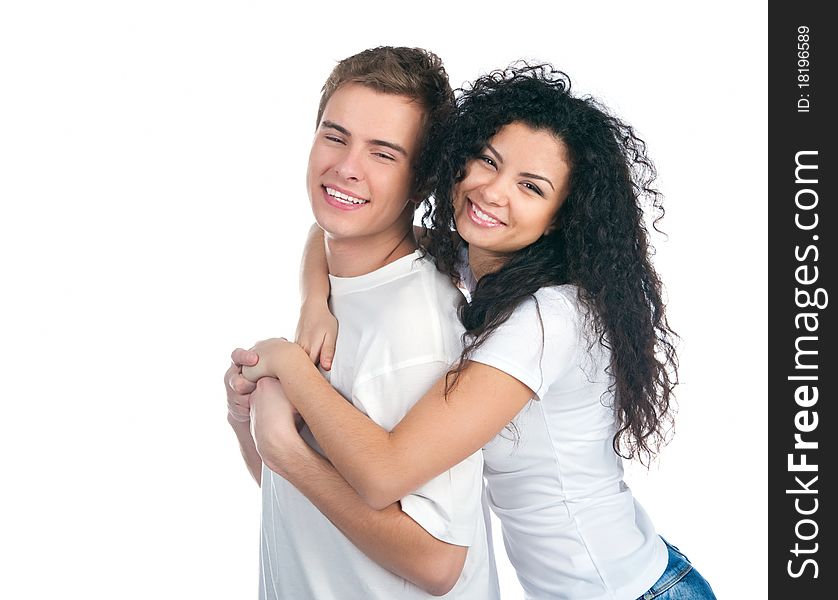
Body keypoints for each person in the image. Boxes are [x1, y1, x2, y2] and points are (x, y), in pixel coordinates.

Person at [238, 63, 717, 599]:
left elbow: (386, 473)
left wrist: (286, 364)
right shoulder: (485, 261)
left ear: (561, 216)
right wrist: (314, 302)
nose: (492, 191)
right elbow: (336, 226)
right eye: (489, 161)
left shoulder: (545, 320)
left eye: (531, 187)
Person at [225, 46, 499, 599]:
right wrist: (248, 421)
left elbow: (437, 563)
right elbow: (314, 512)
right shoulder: (344, 282)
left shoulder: (418, 329)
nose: (346, 167)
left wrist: (288, 450)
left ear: (421, 182)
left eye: (383, 154)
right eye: (335, 136)